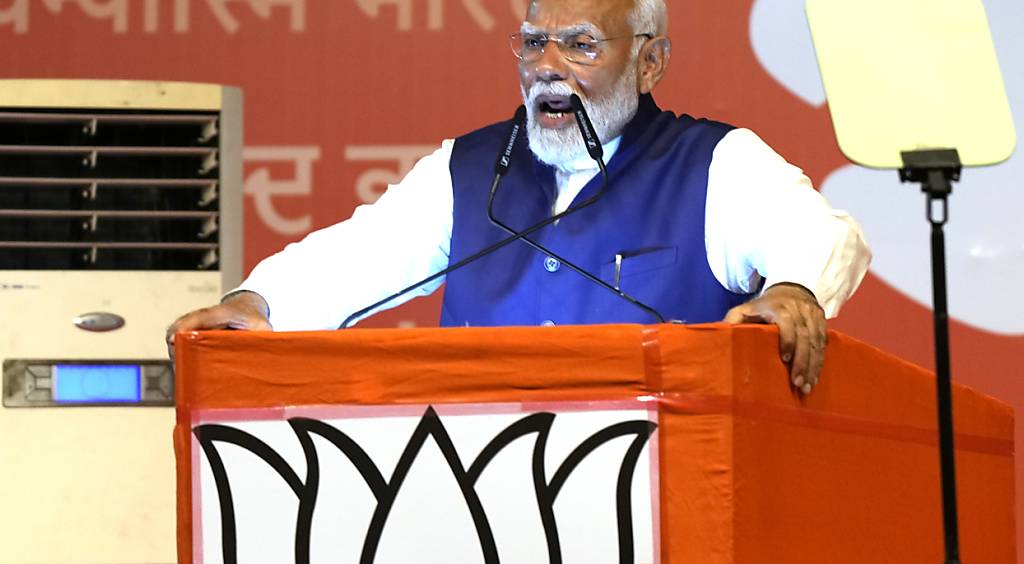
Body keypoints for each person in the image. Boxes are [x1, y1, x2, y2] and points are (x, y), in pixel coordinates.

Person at [167, 0, 870, 395]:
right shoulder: (472, 168)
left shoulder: (713, 161)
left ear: (650, 62)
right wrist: (253, 307)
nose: (547, 69)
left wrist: (793, 291)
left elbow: (821, 235)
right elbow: (359, 255)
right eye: (534, 44)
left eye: (581, 46)